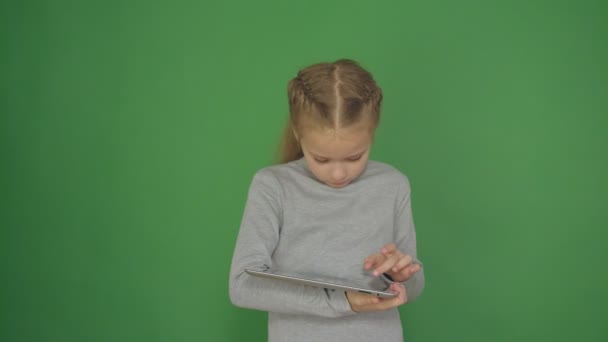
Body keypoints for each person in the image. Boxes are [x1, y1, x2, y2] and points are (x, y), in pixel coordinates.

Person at [229, 59, 425, 342]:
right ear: (299, 135)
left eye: (355, 157)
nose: (337, 173)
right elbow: (242, 285)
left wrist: (399, 276)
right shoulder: (273, 186)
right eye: (320, 158)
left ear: (372, 133)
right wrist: (342, 301)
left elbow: (414, 288)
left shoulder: (393, 184)